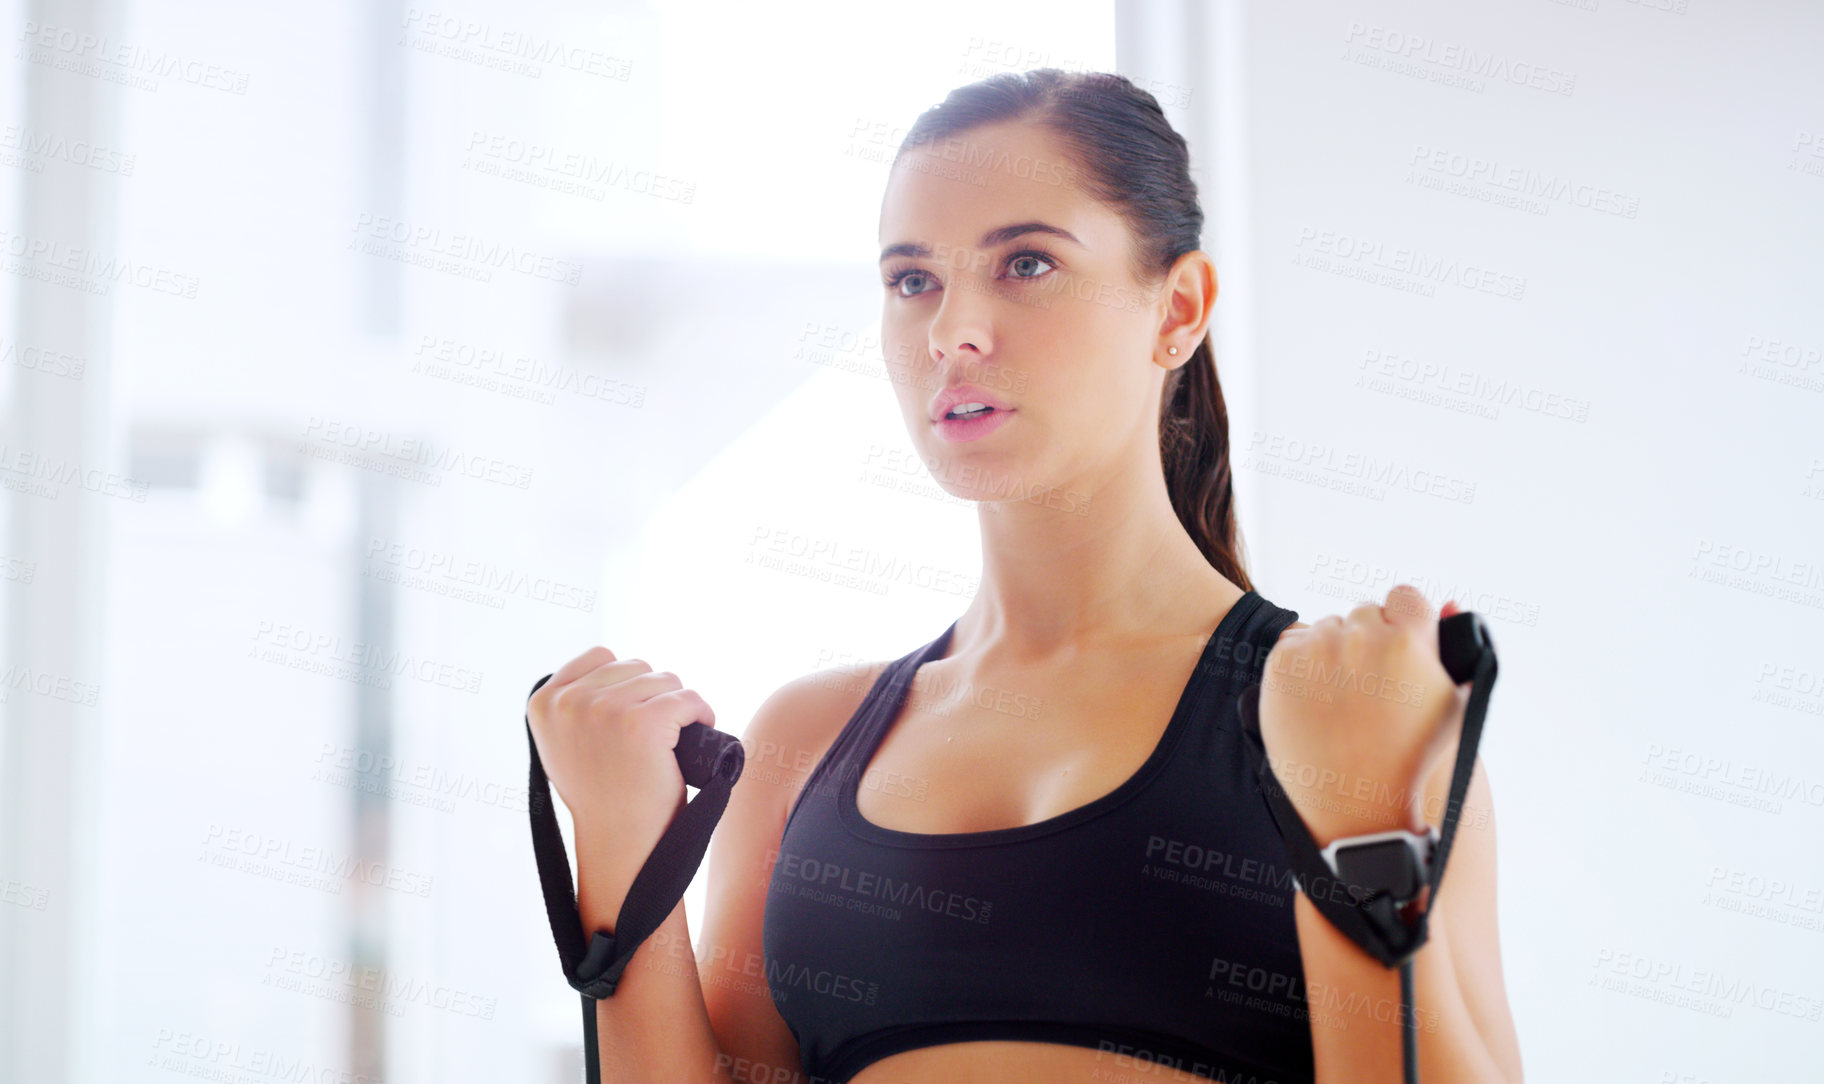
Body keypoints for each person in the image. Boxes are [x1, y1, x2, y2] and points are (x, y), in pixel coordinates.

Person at [527, 68, 1523, 1083]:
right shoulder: (804, 743)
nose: (953, 331)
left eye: (1028, 264)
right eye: (913, 280)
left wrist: (1357, 825)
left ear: (1178, 307)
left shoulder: (1349, 714)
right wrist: (620, 842)